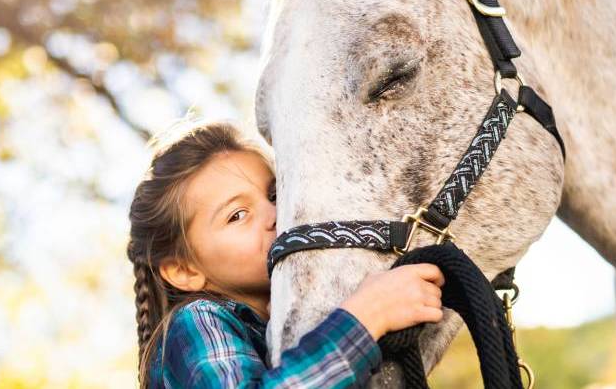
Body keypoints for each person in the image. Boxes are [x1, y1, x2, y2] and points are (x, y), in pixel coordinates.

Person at [128, 122, 445, 388]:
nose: (274, 214)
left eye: (274, 195)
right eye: (237, 215)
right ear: (183, 270)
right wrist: (368, 316)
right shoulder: (197, 320)